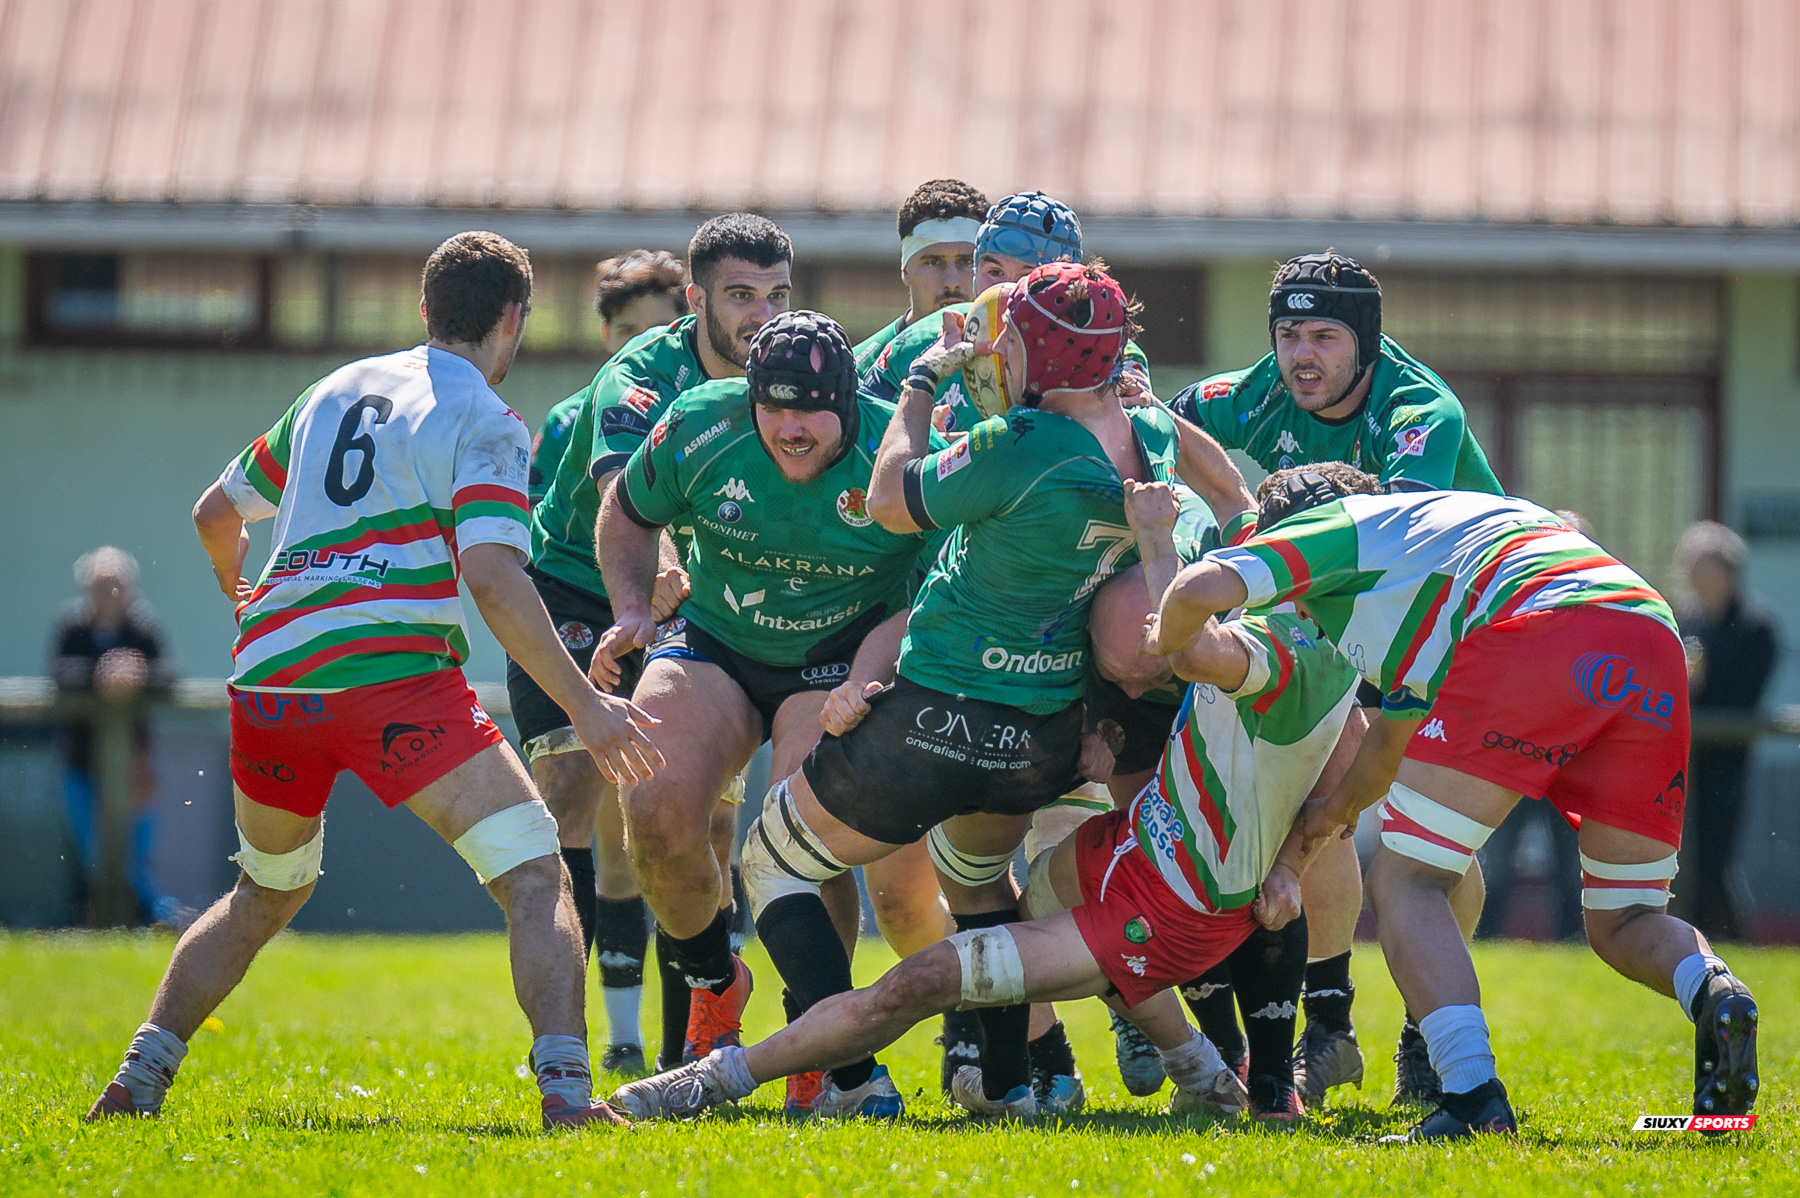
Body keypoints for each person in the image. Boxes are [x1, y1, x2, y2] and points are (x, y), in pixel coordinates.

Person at [86, 232, 662, 1130]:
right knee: (537, 874)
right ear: (515, 320)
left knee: (264, 892)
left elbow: (214, 513)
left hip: (271, 678)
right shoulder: (487, 421)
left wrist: (250, 601)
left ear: (425, 311)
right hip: (394, 682)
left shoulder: (334, 389)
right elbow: (495, 577)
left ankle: (138, 1077)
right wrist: (587, 709)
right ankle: (566, 1096)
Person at [607, 475, 1359, 1124]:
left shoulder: (1281, 651)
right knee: (999, 903)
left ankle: (713, 1081)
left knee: (922, 979)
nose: (1137, 688)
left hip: (1159, 910)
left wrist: (1159, 537)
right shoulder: (1316, 647)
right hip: (1119, 854)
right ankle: (1178, 1072)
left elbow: (1180, 647)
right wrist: (1291, 861)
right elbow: (1335, 792)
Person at [719, 261, 1253, 1121]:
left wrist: (924, 383)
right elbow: (1207, 469)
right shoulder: (1148, 431)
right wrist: (1243, 515)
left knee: (770, 862)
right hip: (1041, 731)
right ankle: (1011, 1087)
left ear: (1040, 351)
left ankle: (853, 1082)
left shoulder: (1024, 446)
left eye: (1010, 336)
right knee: (978, 888)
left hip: (934, 718)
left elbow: (892, 500)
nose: (996, 347)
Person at [1148, 462, 1762, 1141]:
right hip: (1648, 630)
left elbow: (1198, 587)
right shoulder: (1416, 557)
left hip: (1544, 625)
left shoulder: (1333, 525)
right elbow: (1385, 751)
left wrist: (1163, 647)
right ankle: (1716, 992)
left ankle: (1472, 1096)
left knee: (1410, 880)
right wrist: (1325, 823)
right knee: (1626, 917)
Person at [589, 311, 950, 1117]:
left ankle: (814, 1034)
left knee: (798, 838)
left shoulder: (895, 455)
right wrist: (630, 606)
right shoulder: (700, 422)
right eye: (773, 406)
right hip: (715, 642)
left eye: (811, 409)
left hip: (838, 658)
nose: (789, 427)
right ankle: (714, 980)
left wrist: (867, 679)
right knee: (649, 801)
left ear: (849, 401)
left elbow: (933, 594)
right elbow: (627, 511)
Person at [1167, 250, 1503, 1108]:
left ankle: (1424, 1037)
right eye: (1288, 334)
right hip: (1347, 626)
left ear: (1367, 342)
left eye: (1323, 335)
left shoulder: (1419, 411)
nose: (1302, 355)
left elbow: (1400, 552)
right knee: (1319, 786)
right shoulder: (1259, 391)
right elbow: (1166, 423)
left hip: (1459, 627)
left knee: (1426, 847)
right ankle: (1330, 1024)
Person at [517, 215, 793, 1075]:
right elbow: (620, 498)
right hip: (576, 582)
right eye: (742, 296)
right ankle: (566, 1043)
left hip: (700, 596)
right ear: (699, 301)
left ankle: (689, 1048)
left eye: (777, 295)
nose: (761, 315)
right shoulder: (637, 376)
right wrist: (657, 567)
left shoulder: (787, 371)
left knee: (698, 823)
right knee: (567, 793)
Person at [49, 546, 181, 926]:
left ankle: (150, 917)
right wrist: (101, 673)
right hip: (81, 762)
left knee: (134, 852)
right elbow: (59, 673)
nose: (109, 593)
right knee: (95, 852)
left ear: (130, 589)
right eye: (100, 585)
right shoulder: (72, 628)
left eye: (116, 585)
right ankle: (133, 920)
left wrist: (135, 673)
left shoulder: (142, 629)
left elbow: (168, 675)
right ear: (86, 589)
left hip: (135, 765)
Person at [1675, 520, 1779, 942]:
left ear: (1727, 571)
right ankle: (1689, 935)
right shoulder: (1684, 618)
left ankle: (1732, 937)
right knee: (1685, 857)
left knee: (1717, 856)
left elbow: (1748, 691)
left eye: (1702, 568)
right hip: (1684, 758)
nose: (1693, 578)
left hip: (1728, 757)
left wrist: (1706, 679)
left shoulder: (1756, 626)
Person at [528, 250, 689, 503]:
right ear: (606, 334)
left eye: (658, 330)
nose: (643, 343)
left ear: (685, 329)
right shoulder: (564, 423)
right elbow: (536, 522)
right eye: (628, 331)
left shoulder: (708, 409)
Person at [851, 179, 988, 375]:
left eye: (966, 261)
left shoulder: (1012, 361)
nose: (951, 282)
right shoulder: (860, 370)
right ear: (905, 268)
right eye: (933, 262)